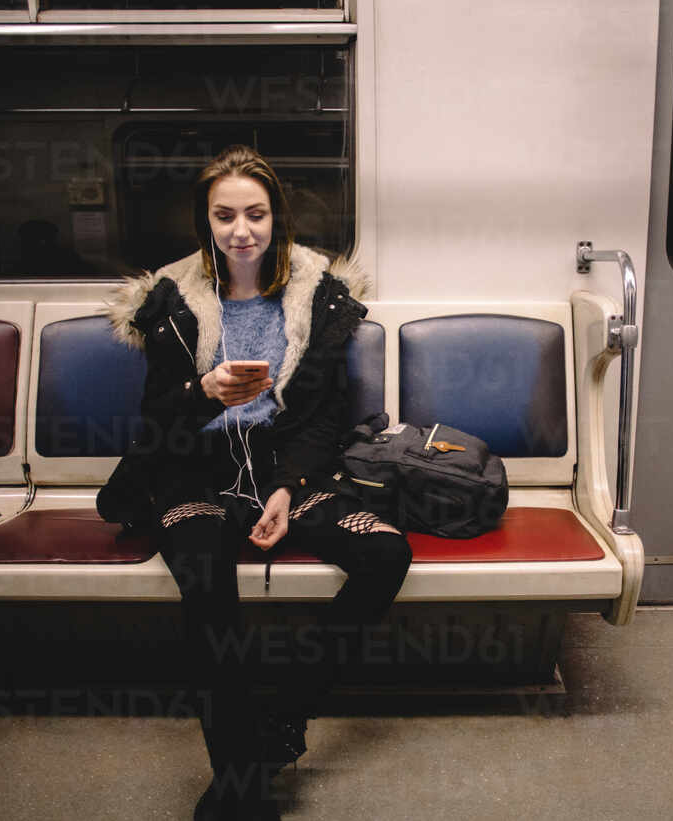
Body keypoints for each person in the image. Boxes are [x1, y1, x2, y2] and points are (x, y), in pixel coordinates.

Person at [101, 145, 412, 820]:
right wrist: (206, 392)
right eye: (224, 215)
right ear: (205, 221)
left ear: (277, 216)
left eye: (255, 213)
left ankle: (281, 724)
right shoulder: (172, 301)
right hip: (193, 472)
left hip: (282, 473)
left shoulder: (318, 295)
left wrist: (284, 486)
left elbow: (324, 417)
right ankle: (238, 779)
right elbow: (158, 424)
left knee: (386, 550)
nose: (241, 230)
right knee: (207, 577)